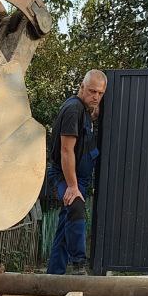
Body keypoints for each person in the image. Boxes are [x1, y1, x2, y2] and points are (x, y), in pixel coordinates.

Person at [46, 70, 107, 275]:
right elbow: (66, 150)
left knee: (65, 230)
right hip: (64, 175)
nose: (96, 97)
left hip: (78, 176)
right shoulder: (73, 109)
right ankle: (79, 264)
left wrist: (94, 111)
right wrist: (72, 186)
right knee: (76, 206)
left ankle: (54, 277)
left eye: (100, 93)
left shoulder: (85, 109)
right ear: (81, 87)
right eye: (91, 91)